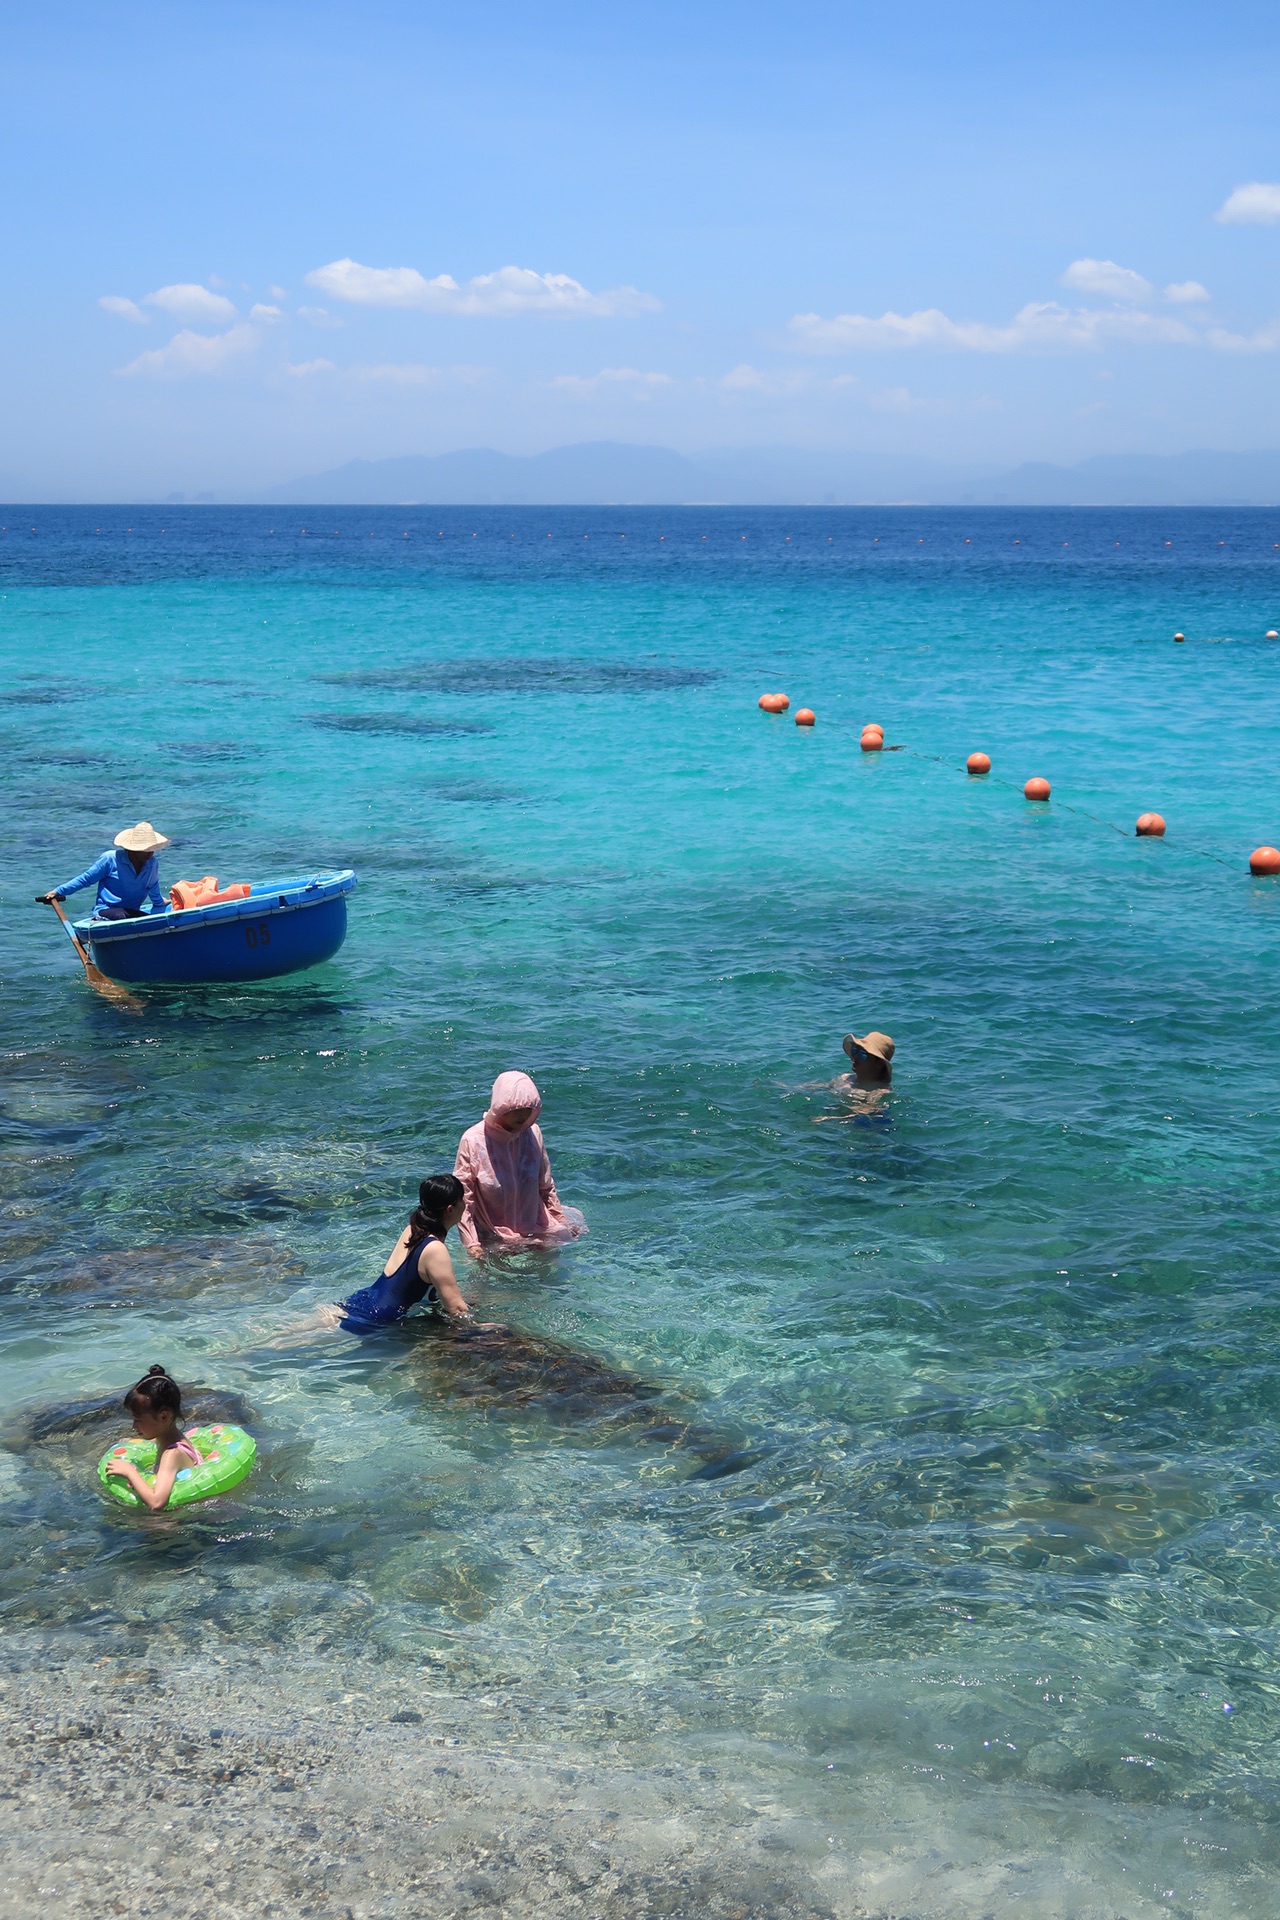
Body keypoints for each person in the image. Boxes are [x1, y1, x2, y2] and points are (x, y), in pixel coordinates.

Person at [453, 1070, 586, 1256]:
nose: (523, 1117)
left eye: (529, 1110)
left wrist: (561, 1220)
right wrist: (471, 1243)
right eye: (514, 1110)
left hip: (536, 1226)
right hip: (493, 1234)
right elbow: (464, 1198)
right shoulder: (473, 1140)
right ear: (499, 1107)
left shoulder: (533, 1134)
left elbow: (545, 1186)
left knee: (551, 1280)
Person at [336, 1174, 473, 1328]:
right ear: (450, 1209)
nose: (465, 1203)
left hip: (362, 1302)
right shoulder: (436, 1250)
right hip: (375, 1321)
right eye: (462, 1199)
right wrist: (483, 1328)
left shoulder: (414, 1230)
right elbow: (456, 1309)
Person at [104, 1365, 204, 1513]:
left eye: (138, 1420)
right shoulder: (170, 1438)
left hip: (177, 1520)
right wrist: (133, 1442)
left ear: (163, 1416)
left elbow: (157, 1502)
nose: (133, 1426)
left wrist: (130, 1472)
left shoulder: (171, 1455)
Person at [38, 821, 169, 920]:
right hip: (108, 911)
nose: (150, 853)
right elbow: (85, 879)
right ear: (133, 849)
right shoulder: (110, 859)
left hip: (131, 912)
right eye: (145, 849)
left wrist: (163, 903)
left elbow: (153, 888)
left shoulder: (152, 864)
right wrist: (58, 891)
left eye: (151, 848)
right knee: (121, 916)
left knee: (147, 919)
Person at [812, 1028, 896, 1122]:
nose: (855, 1057)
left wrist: (829, 1119)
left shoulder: (880, 1090)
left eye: (862, 1054)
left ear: (879, 1063)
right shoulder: (845, 1077)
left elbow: (865, 1111)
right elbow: (825, 1086)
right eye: (855, 1050)